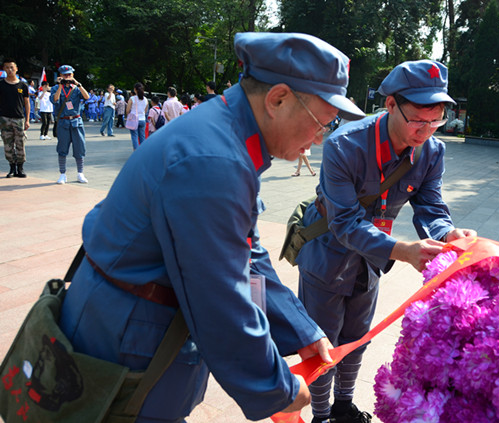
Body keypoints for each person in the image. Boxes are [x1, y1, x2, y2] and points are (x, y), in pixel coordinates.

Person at [58, 31, 366, 422]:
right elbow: (219, 295)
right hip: (123, 338)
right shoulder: (214, 161)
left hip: (130, 317)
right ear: (278, 99)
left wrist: (301, 328)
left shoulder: (226, 133)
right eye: (321, 123)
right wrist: (277, 388)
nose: (320, 139)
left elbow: (246, 250)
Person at [295, 60, 477, 423]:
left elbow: (430, 204)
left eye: (435, 120)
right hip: (328, 252)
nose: (425, 131)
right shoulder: (345, 146)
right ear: (391, 104)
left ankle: (344, 406)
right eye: (417, 120)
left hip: (372, 258)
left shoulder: (431, 151)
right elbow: (344, 221)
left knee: (358, 336)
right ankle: (320, 414)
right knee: (321, 342)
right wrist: (404, 252)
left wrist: (447, 233)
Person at [50, 65, 90, 184]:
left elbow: (86, 97)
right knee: (62, 148)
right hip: (63, 122)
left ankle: (80, 173)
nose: (68, 77)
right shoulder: (56, 88)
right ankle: (62, 174)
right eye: (65, 75)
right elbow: (55, 100)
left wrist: (79, 84)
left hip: (76, 121)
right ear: (60, 76)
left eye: (70, 74)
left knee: (79, 148)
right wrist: (60, 86)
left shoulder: (76, 88)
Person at [0, 58, 30, 178]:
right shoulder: (1, 84)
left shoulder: (23, 85)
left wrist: (27, 120)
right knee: (8, 144)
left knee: (20, 144)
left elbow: (26, 103)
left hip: (19, 119)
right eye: (7, 67)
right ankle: (12, 167)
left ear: (16, 68)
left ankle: (20, 168)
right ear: (4, 69)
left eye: (12, 67)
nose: (10, 69)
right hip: (4, 119)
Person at [125, 82, 148, 150]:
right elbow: (145, 111)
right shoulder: (145, 99)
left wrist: (128, 115)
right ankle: (142, 151)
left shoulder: (132, 98)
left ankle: (136, 151)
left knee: (134, 136)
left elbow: (127, 110)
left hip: (134, 120)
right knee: (142, 136)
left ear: (135, 89)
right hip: (142, 119)